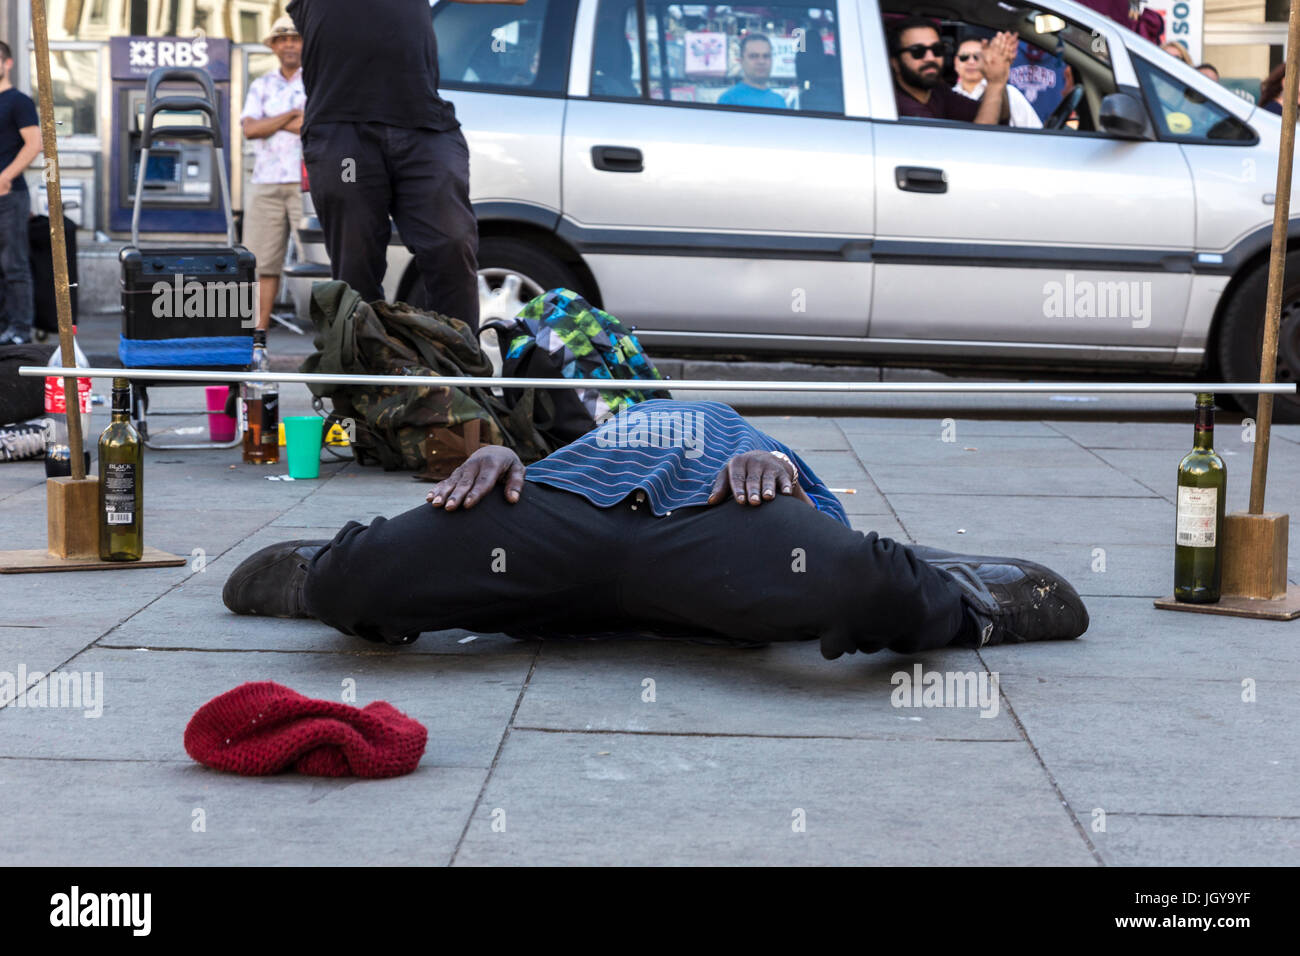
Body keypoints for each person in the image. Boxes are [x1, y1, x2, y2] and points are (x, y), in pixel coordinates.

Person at [222, 400, 1089, 659]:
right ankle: (328, 569)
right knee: (349, 584)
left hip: (711, 532)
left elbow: (823, 532)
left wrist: (781, 477)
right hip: (556, 525)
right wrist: (503, 461)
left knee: (865, 581)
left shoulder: (743, 439)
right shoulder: (591, 440)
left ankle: (967, 597)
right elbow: (519, 466)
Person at [286, 0, 523, 332]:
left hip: (425, 129)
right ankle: (365, 378)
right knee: (357, 265)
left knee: (451, 246)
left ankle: (458, 375)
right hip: (346, 134)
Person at [240, 16, 305, 337]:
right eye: (282, 39)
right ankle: (257, 334)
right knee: (261, 262)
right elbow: (250, 129)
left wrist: (272, 121)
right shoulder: (261, 84)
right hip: (266, 180)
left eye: (295, 38)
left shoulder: (319, 80)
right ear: (274, 46)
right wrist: (292, 114)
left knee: (317, 261)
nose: (289, 44)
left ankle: (329, 334)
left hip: (307, 182)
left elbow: (313, 126)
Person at [890, 16, 1014, 125]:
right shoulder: (900, 106)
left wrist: (998, 68)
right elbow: (981, 143)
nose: (930, 58)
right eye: (917, 51)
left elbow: (994, 115)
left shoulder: (937, 91)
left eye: (937, 49)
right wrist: (995, 83)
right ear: (895, 62)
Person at [0, 41, 41, 347]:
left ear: (8, 63)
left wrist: (6, 176)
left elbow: (34, 144)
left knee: (14, 264)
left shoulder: (19, 102)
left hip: (10, 197)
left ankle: (19, 330)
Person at [952, 37, 1042, 129]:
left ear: (988, 61)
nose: (971, 62)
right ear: (955, 62)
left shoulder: (1009, 93)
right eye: (964, 57)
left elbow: (1037, 133)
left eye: (977, 57)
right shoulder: (947, 99)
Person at [718, 34, 788, 109]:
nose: (761, 61)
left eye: (766, 56)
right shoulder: (729, 100)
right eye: (754, 56)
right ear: (741, 61)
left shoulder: (779, 101)